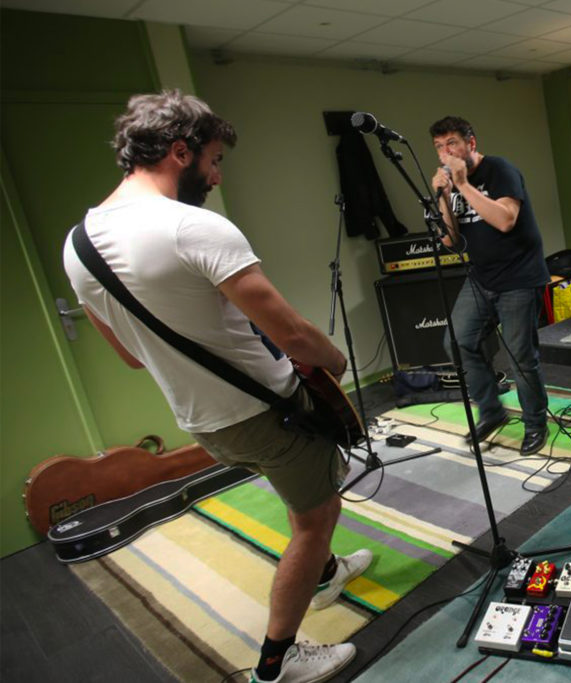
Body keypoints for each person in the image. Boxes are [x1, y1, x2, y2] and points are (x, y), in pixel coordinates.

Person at [62, 90, 371, 683]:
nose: (216, 173)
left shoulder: (77, 245)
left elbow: (128, 357)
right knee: (317, 513)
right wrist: (336, 362)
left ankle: (328, 577)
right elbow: (296, 336)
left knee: (295, 491)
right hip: (263, 410)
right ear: (182, 152)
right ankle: (278, 662)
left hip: (202, 422)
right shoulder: (194, 227)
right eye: (214, 160)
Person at [429, 115, 550, 456]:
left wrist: (464, 185)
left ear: (471, 143)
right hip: (482, 277)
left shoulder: (500, 170)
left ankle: (535, 423)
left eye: (451, 143)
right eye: (439, 147)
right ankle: (492, 411)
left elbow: (506, 220)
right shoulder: (451, 183)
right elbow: (451, 241)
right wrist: (444, 195)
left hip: (519, 277)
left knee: (521, 356)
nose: (446, 153)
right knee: (457, 340)